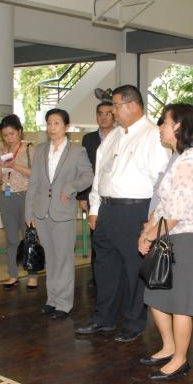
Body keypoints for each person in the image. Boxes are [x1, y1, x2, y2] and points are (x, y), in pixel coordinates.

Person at [78, 84, 169, 342]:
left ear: (133, 105)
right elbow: (99, 176)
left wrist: (152, 221)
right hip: (107, 210)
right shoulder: (112, 137)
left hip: (136, 211)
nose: (113, 112)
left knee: (133, 269)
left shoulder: (152, 136)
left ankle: (133, 322)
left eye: (116, 107)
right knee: (104, 267)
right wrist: (95, 209)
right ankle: (104, 318)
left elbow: (161, 183)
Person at [138, 103, 193, 381]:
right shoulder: (177, 159)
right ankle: (168, 347)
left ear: (178, 125)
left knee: (180, 302)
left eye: (163, 122)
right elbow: (162, 205)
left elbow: (176, 215)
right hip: (168, 236)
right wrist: (146, 230)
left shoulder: (190, 161)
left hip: (187, 239)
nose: (160, 127)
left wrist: (149, 235)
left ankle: (180, 359)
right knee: (155, 295)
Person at [25, 108, 93, 319]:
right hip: (41, 212)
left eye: (56, 123)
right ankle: (52, 300)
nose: (52, 127)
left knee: (63, 258)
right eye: (49, 123)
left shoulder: (77, 151)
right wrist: (29, 212)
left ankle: (64, 303)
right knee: (51, 258)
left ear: (66, 126)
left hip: (62, 212)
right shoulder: (40, 150)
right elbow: (34, 182)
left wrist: (71, 187)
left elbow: (88, 176)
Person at [0, 114, 34, 289]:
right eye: (5, 135)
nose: (9, 138)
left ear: (20, 132)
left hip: (26, 197)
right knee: (11, 239)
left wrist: (15, 165)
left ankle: (32, 275)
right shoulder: (1, 152)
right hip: (7, 197)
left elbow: (36, 175)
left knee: (29, 237)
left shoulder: (30, 149)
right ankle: (13, 274)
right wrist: (0, 168)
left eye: (12, 134)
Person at [77, 100, 116, 287]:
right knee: (96, 237)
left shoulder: (121, 137)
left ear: (114, 116)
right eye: (100, 113)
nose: (104, 117)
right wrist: (83, 196)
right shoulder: (88, 139)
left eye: (108, 113)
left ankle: (115, 275)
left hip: (115, 196)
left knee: (114, 236)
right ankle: (97, 275)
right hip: (93, 195)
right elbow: (83, 170)